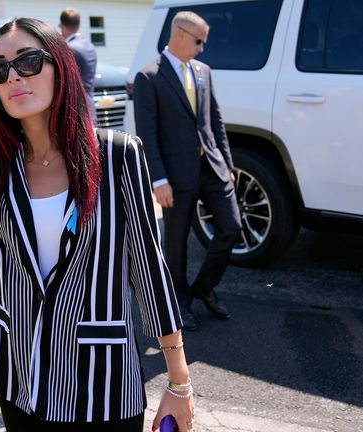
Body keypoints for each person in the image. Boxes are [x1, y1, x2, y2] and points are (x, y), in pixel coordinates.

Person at [0, 17, 195, 432]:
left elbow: (148, 270)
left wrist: (179, 381)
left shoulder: (116, 155)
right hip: (22, 379)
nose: (13, 77)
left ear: (60, 66)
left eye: (28, 61)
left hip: (102, 383)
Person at [133, 11, 242, 330]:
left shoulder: (204, 71)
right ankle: (180, 302)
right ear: (180, 34)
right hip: (175, 175)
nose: (202, 48)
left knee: (231, 228)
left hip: (212, 168)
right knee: (176, 244)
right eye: (199, 41)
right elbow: (147, 134)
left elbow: (215, 121)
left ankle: (204, 288)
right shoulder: (149, 77)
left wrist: (228, 164)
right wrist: (159, 180)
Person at [59, 7, 97, 120]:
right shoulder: (90, 47)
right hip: (90, 106)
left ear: (62, 25)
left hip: (74, 110)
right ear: (79, 25)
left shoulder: (67, 48)